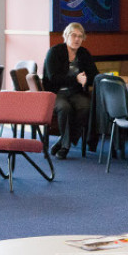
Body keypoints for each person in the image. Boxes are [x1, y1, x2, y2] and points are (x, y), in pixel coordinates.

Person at [42, 22, 99, 160]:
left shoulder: (84, 53)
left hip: (75, 92)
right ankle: (65, 147)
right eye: (74, 35)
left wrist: (86, 79)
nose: (77, 39)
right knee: (64, 107)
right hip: (55, 93)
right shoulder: (54, 52)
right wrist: (76, 79)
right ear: (66, 36)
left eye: (80, 36)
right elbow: (53, 77)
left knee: (87, 106)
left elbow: (94, 75)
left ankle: (62, 141)